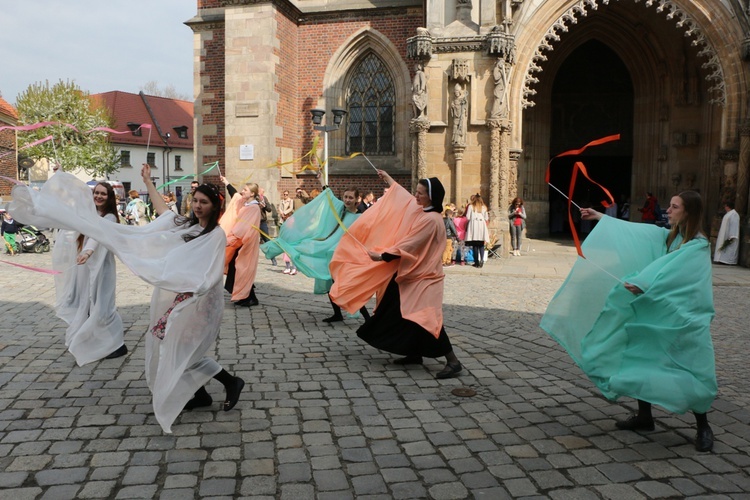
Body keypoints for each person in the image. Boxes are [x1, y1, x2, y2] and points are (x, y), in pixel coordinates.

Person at [9, 166, 246, 433]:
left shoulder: (215, 235)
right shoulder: (186, 225)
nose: (199, 206)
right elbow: (163, 213)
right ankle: (202, 394)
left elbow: (211, 272)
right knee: (171, 344)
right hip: (180, 297)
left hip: (200, 301)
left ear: (216, 206)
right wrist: (147, 181)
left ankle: (230, 382)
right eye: (197, 201)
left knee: (184, 348)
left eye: (205, 202)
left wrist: (191, 291)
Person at [541, 190, 716, 452]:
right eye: (669, 206)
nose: (667, 210)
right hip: (655, 310)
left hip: (683, 317)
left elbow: (676, 272)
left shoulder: (698, 245)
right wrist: (601, 217)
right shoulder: (670, 236)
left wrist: (644, 282)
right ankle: (644, 416)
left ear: (689, 212)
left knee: (690, 364)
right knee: (639, 354)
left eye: (674, 206)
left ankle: (703, 425)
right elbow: (638, 232)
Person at [329, 170, 463, 379]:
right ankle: (414, 353)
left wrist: (383, 256)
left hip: (423, 278)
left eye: (420, 193)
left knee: (425, 318)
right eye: (416, 192)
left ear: (431, 197)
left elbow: (411, 244)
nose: (416, 196)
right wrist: (389, 180)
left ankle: (453, 361)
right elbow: (406, 200)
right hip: (412, 276)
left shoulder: (430, 219)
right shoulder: (424, 211)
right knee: (398, 310)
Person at [53, 182, 126, 364]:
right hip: (86, 266)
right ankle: (96, 340)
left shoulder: (110, 218)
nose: (99, 196)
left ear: (109, 198)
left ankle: (118, 345)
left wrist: (88, 251)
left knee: (104, 305)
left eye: (103, 194)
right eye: (96, 193)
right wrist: (60, 174)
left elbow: (96, 235)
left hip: (101, 267)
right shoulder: (90, 212)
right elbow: (73, 198)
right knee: (88, 303)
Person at [220, 176, 261, 307]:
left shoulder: (253, 208)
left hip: (244, 244)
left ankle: (249, 297)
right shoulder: (245, 203)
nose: (242, 191)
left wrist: (230, 238)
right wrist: (226, 182)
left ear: (252, 193)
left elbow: (243, 228)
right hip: (238, 243)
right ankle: (245, 296)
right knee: (237, 269)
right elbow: (235, 195)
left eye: (245, 190)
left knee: (242, 269)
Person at [465, 193, 490, 267]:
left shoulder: (471, 206)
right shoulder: (484, 207)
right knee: (481, 244)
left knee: (475, 245)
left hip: (474, 226)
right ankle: (481, 259)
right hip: (481, 225)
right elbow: (486, 218)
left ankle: (476, 262)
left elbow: (468, 217)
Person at [714, 200, 740, 265]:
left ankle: (728, 261)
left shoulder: (734, 214)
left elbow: (734, 225)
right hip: (724, 235)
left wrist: (732, 235)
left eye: (725, 206)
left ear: (728, 206)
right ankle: (721, 259)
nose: (725, 208)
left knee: (729, 248)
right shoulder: (728, 214)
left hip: (730, 236)